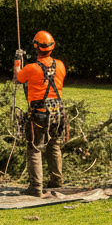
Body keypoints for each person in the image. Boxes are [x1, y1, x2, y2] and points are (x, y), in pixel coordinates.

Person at [14, 29, 67, 197]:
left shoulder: (31, 68)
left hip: (40, 114)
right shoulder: (60, 65)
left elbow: (18, 78)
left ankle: (36, 187)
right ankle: (56, 180)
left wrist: (17, 61)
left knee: (35, 148)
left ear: (36, 47)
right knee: (54, 146)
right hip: (58, 113)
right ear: (52, 47)